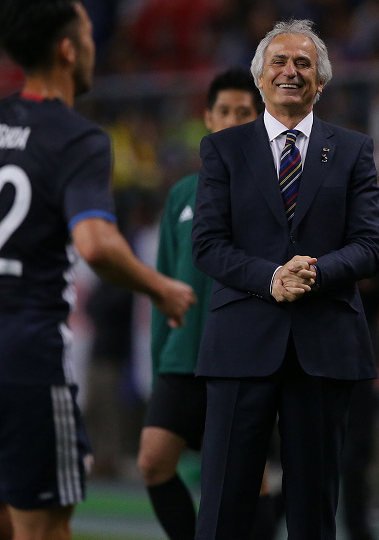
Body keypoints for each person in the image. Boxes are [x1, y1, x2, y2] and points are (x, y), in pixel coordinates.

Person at [0, 0, 195, 540]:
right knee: (44, 529)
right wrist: (161, 288)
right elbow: (95, 244)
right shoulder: (77, 139)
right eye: (88, 32)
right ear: (67, 49)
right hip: (25, 361)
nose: (95, 45)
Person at [191, 19, 379, 540]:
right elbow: (207, 245)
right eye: (279, 61)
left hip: (323, 348)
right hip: (241, 345)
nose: (290, 71)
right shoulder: (223, 150)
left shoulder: (352, 149)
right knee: (223, 508)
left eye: (303, 63)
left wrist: (310, 274)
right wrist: (272, 278)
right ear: (260, 78)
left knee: (314, 513)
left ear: (321, 81)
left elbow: (369, 247)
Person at [137, 68, 269, 540]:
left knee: (243, 483)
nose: (233, 120)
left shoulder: (272, 191)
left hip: (239, 361)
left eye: (244, 113)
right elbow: (163, 286)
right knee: (153, 462)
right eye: (224, 112)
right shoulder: (180, 195)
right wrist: (159, 362)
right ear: (208, 119)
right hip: (182, 359)